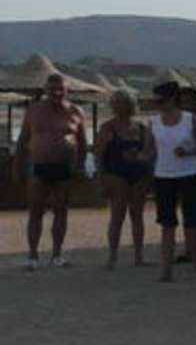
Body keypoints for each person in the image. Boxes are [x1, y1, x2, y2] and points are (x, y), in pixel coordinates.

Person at [15, 72, 87, 269]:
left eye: (61, 89)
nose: (57, 93)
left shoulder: (76, 111)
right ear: (46, 90)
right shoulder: (34, 110)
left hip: (64, 167)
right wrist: (17, 167)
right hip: (38, 166)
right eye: (53, 89)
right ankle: (32, 256)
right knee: (35, 211)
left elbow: (82, 143)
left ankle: (57, 255)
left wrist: (81, 166)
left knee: (61, 211)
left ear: (67, 90)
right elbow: (22, 140)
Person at [147, 80, 196, 281]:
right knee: (167, 224)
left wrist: (189, 152)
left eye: (162, 101)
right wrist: (137, 157)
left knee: (194, 223)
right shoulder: (153, 123)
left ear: (173, 99)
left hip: (189, 174)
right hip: (163, 176)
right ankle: (166, 269)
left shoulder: (191, 120)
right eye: (156, 102)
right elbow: (150, 151)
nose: (159, 105)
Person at [97, 90, 153, 268]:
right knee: (117, 214)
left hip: (139, 172)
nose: (117, 105)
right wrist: (101, 178)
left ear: (130, 104)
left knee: (137, 214)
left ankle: (139, 256)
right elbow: (99, 154)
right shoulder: (107, 127)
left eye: (121, 102)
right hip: (116, 173)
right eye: (115, 102)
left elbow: (149, 152)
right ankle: (112, 255)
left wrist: (141, 158)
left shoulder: (141, 128)